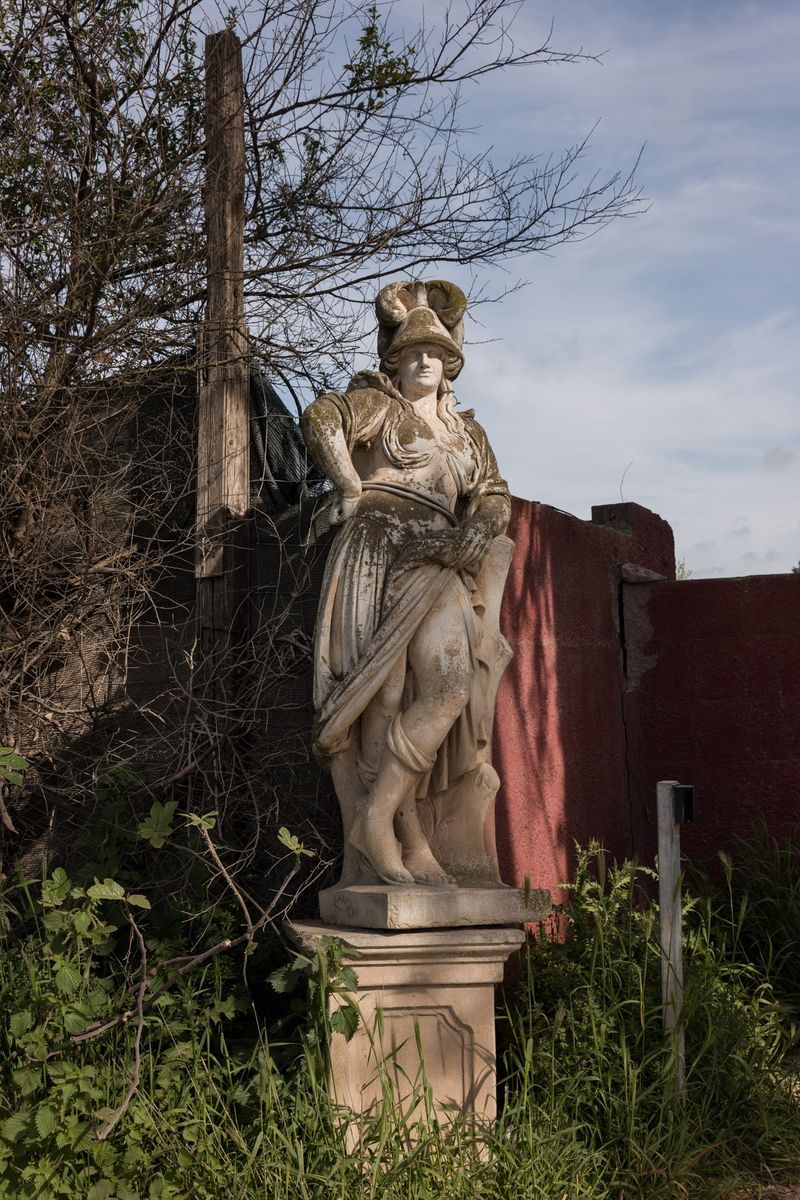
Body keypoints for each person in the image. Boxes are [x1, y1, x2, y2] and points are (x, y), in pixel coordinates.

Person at [301, 280, 512, 887]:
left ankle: (377, 818)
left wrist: (478, 530)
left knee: (449, 688)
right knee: (383, 697)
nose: (424, 362)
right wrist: (348, 484)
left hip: (442, 559)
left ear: (449, 366)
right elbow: (321, 418)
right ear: (394, 360)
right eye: (413, 352)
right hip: (378, 552)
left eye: (435, 354)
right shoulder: (380, 406)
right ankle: (407, 837)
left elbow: (494, 496)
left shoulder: (468, 434)